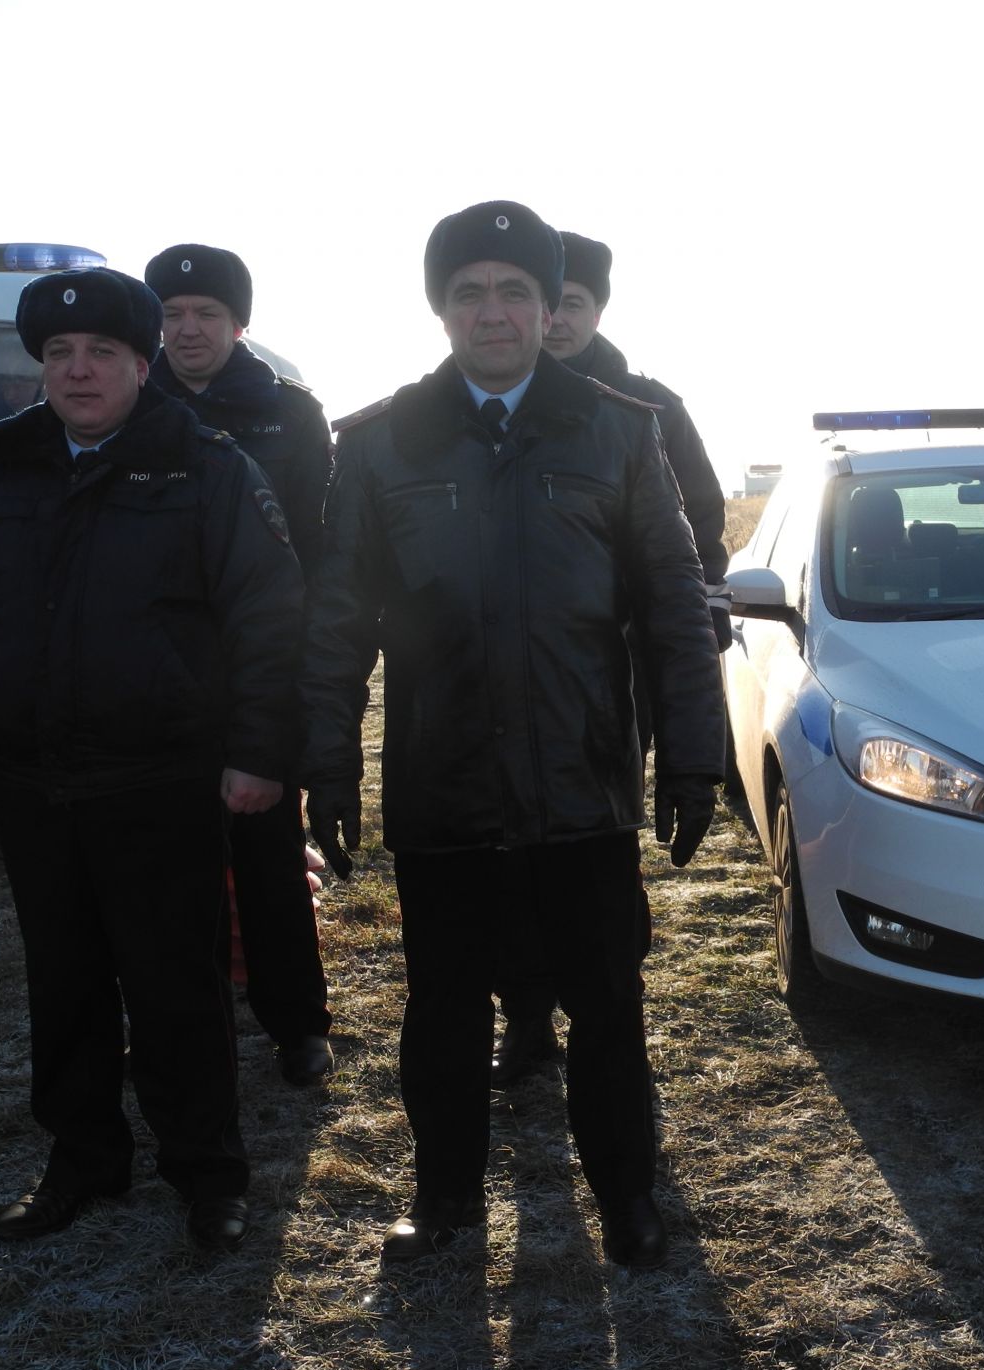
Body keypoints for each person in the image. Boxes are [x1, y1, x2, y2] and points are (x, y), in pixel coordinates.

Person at [299, 201, 724, 1270]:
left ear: (548, 308)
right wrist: (328, 753)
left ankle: (628, 1198)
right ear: (442, 308)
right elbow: (340, 616)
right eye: (471, 291)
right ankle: (443, 1202)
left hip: (583, 779)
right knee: (442, 1012)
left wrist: (693, 752)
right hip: (445, 784)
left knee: (607, 1008)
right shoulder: (381, 442)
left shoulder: (621, 431)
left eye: (516, 292)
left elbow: (674, 604)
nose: (494, 312)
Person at [0, 267, 306, 1254]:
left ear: (140, 363)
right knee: (65, 983)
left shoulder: (205, 464)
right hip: (35, 780)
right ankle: (82, 1159)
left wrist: (259, 753)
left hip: (162, 777)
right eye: (58, 355)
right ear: (40, 366)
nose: (79, 371)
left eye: (103, 354)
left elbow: (268, 617)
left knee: (177, 986)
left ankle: (207, 1172)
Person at [487, 231, 735, 1086]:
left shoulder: (646, 409)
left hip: (616, 675)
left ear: (595, 310)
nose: (554, 323)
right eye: (545, 306)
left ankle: (609, 999)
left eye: (572, 307)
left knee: (602, 849)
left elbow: (699, 533)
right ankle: (522, 1017)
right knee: (507, 856)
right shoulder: (482, 409)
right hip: (506, 676)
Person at [146, 242, 336, 1088]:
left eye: (207, 315)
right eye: (172, 315)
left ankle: (297, 1024)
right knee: (160, 868)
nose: (188, 331)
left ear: (240, 323)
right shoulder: (126, 401)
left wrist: (306, 666)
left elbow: (320, 547)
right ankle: (176, 1022)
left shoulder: (287, 414)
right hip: (153, 673)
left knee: (268, 864)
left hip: (260, 665)